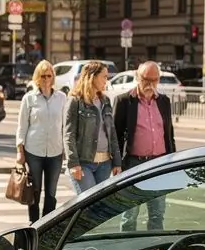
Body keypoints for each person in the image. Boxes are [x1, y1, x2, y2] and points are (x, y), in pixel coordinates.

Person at [113, 60, 175, 231]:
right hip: (134, 163)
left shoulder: (164, 101)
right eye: (146, 79)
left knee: (157, 213)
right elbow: (116, 136)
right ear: (137, 77)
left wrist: (173, 162)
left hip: (160, 163)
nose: (150, 84)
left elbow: (169, 135)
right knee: (129, 214)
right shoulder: (124, 101)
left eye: (154, 80)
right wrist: (116, 164)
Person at [16, 60, 66, 223]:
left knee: (51, 192)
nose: (46, 79)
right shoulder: (29, 99)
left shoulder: (61, 98)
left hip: (55, 151)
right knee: (35, 190)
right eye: (43, 76)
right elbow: (22, 127)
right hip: (34, 151)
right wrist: (20, 152)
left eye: (49, 75)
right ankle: (34, 223)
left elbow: (66, 126)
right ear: (37, 77)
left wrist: (67, 150)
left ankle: (46, 224)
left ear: (53, 77)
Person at [64, 60, 122, 193]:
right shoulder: (75, 101)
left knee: (100, 207)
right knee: (88, 206)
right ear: (92, 77)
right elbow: (68, 134)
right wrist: (73, 163)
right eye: (104, 77)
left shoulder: (105, 100)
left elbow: (112, 133)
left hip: (105, 163)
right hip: (83, 163)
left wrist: (117, 162)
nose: (106, 81)